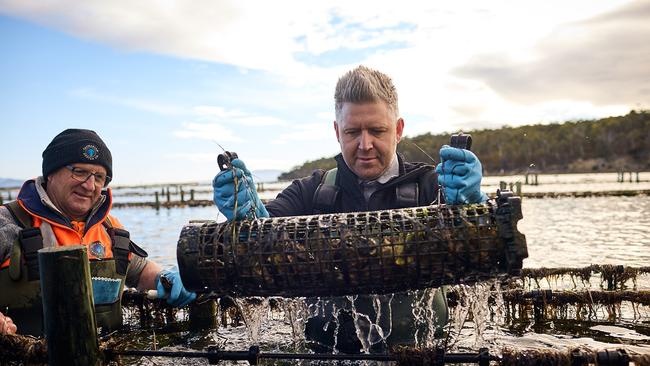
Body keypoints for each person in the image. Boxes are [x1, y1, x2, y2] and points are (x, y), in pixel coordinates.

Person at [212, 65, 487, 352]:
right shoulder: (310, 193)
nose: (365, 144)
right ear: (336, 131)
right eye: (352, 131)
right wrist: (247, 214)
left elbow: (483, 248)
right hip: (327, 355)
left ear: (399, 129)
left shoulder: (432, 188)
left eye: (377, 130)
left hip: (421, 354)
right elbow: (262, 232)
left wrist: (472, 204)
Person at [0, 129, 196, 336]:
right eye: (79, 171)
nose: (89, 185)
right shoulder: (7, 222)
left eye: (99, 177)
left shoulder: (110, 228)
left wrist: (164, 278)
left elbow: (138, 270)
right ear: (51, 173)